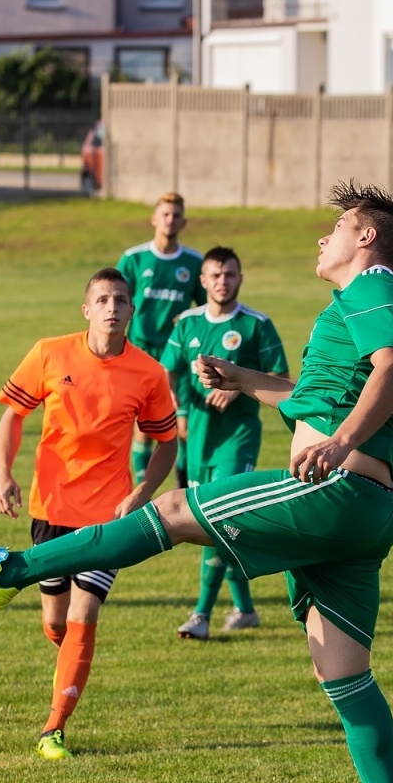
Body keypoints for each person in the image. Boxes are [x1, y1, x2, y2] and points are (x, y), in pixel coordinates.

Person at [0, 182, 393, 783]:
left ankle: (8, 568)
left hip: (338, 487)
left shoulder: (380, 286)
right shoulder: (351, 308)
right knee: (343, 673)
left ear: (365, 240)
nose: (319, 240)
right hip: (369, 507)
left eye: (335, 228)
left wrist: (342, 441)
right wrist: (247, 380)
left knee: (170, 510)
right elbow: (322, 389)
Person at [0, 267, 178, 762]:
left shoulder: (149, 373)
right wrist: (2, 473)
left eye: (121, 300)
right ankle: (60, 650)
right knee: (57, 622)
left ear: (133, 311)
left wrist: (143, 492)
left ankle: (54, 728)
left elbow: (167, 442)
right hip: (51, 508)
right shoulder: (50, 352)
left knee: (84, 613)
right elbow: (13, 416)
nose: (113, 307)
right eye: (103, 300)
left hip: (109, 516)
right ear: (86, 309)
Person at [160, 246, 289, 640]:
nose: (222, 281)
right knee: (219, 524)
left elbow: (280, 376)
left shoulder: (256, 325)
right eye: (215, 275)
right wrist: (177, 412)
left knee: (215, 518)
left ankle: (200, 615)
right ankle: (246, 609)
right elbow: (167, 372)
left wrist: (239, 388)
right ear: (202, 281)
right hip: (197, 439)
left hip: (239, 437)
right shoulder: (187, 323)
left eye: (230, 274)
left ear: (240, 278)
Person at [116, 192, 204, 485]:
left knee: (181, 423)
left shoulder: (193, 262)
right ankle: (143, 487)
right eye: (165, 214)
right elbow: (115, 299)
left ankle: (183, 489)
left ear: (184, 221)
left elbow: (207, 307)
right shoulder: (134, 258)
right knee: (144, 422)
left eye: (176, 215)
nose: (170, 220)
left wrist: (188, 320)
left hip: (176, 356)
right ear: (154, 218)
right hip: (140, 350)